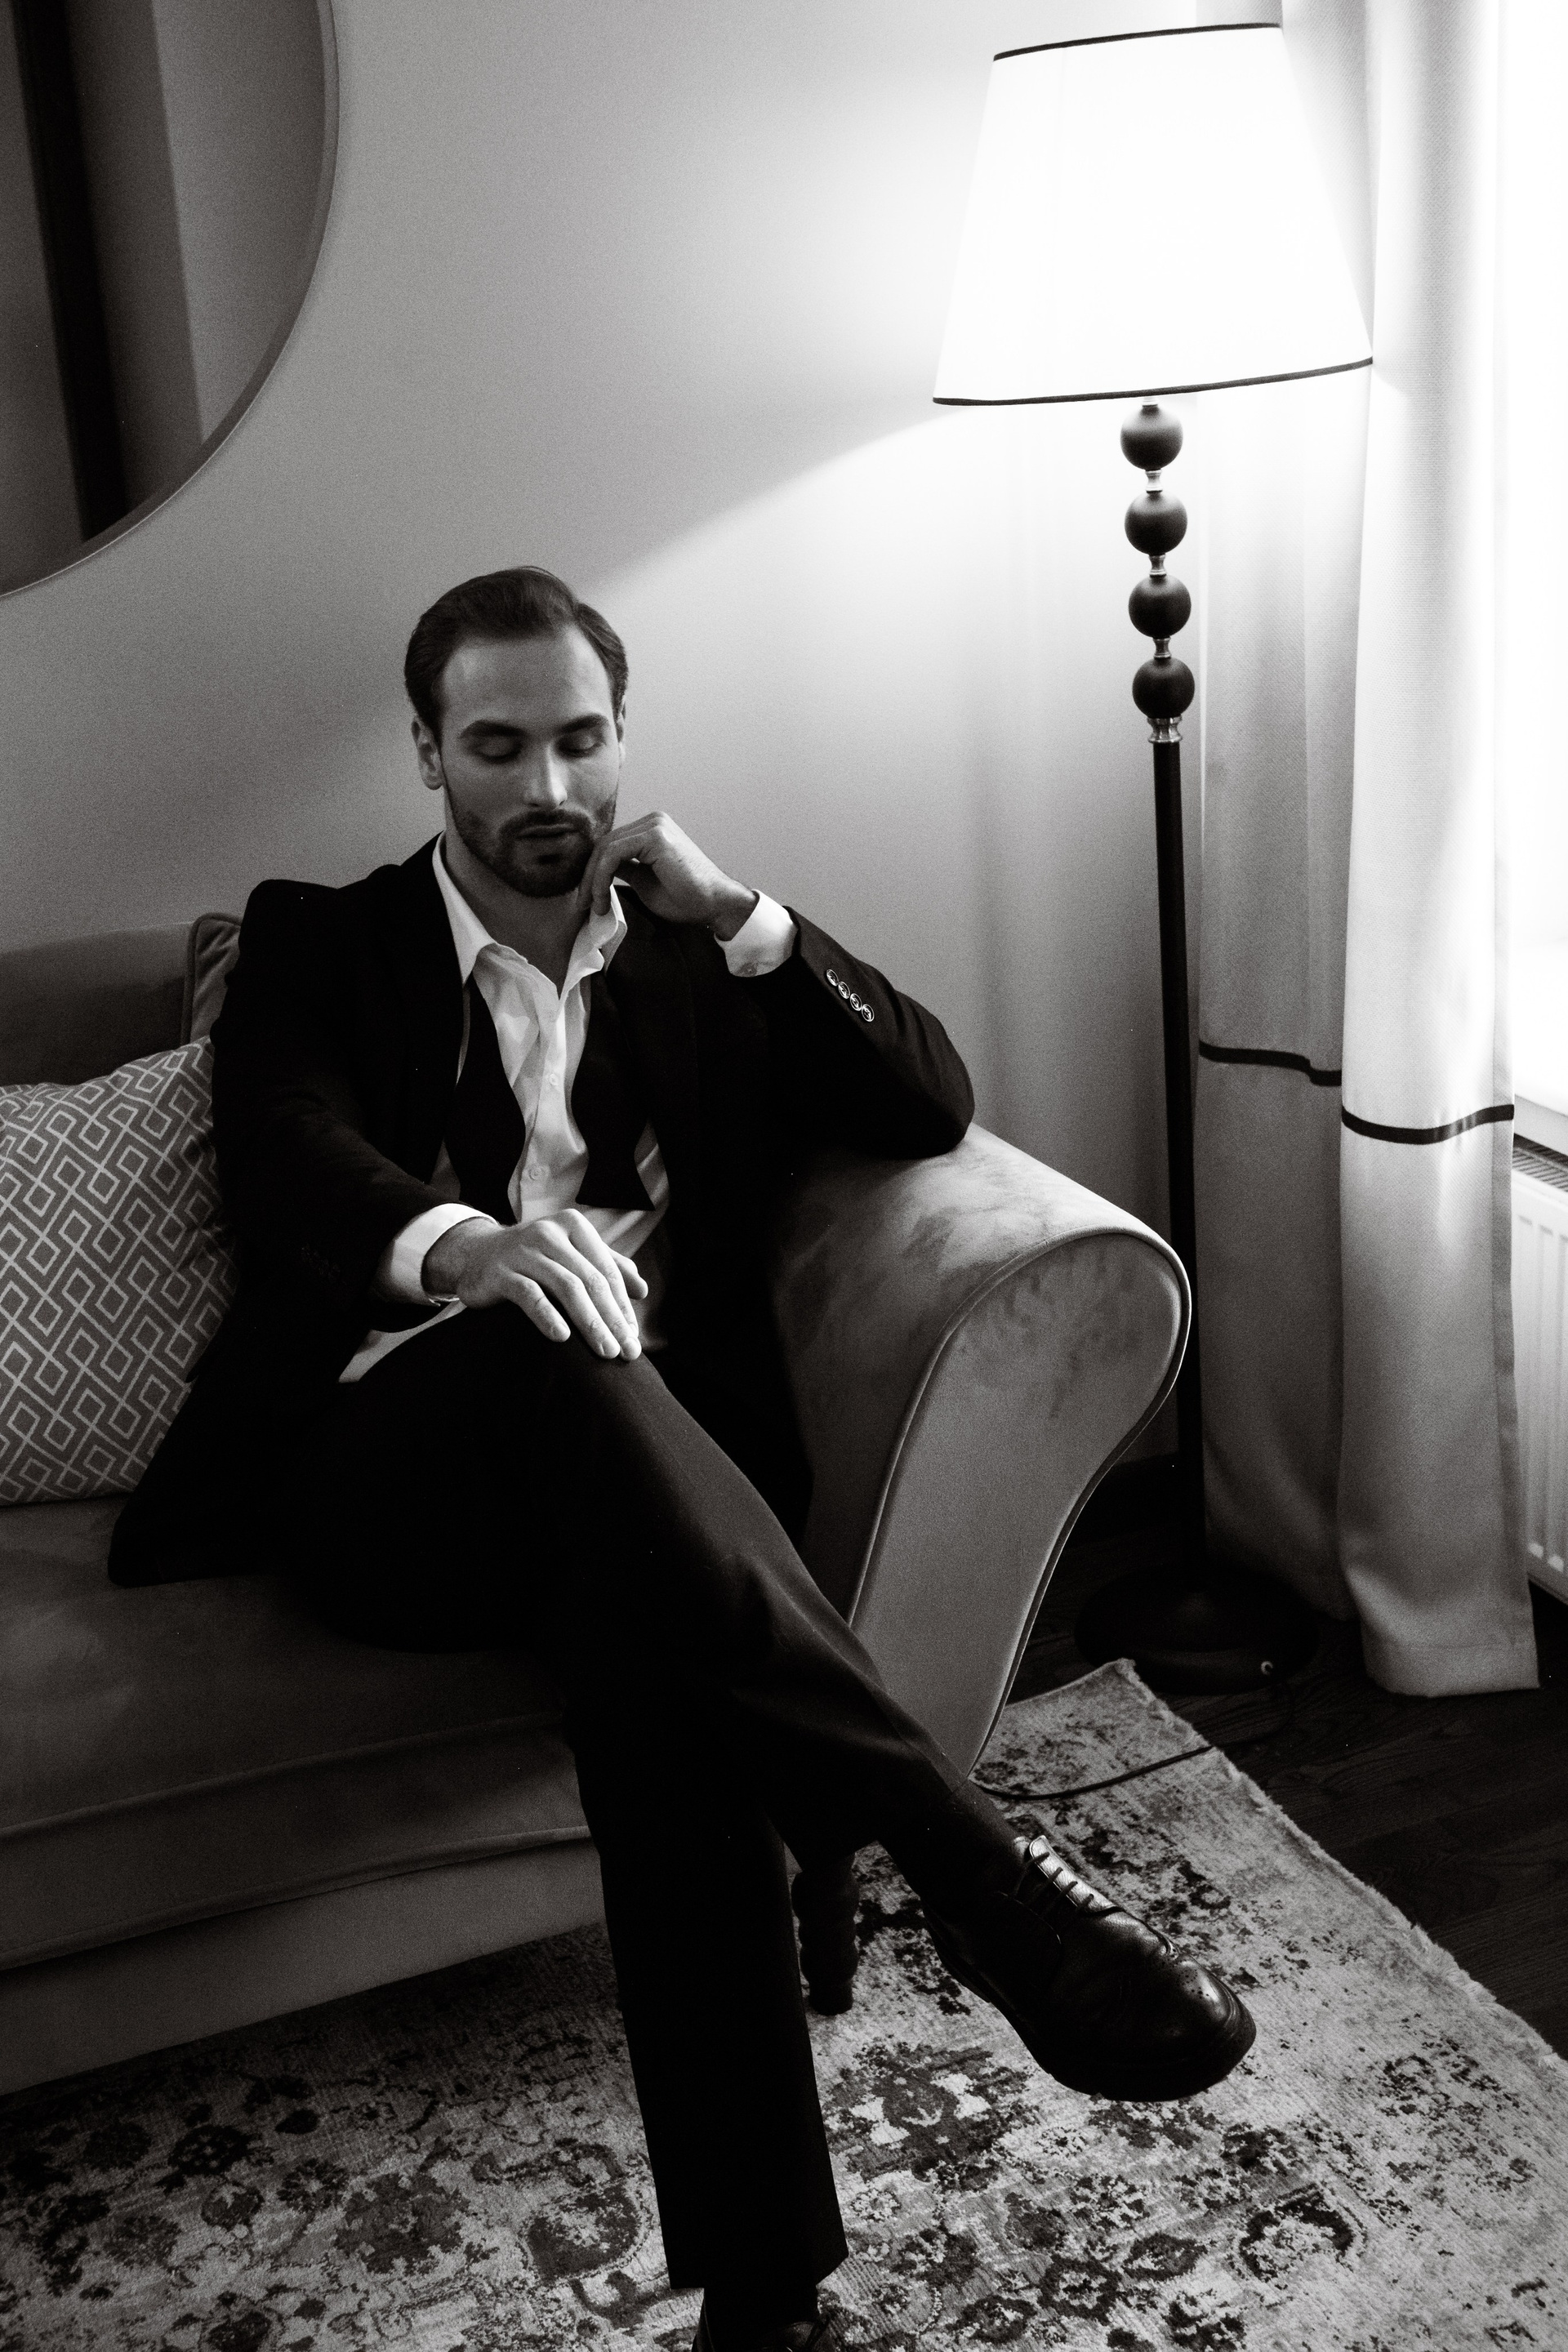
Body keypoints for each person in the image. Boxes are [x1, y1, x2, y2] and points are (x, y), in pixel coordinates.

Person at [110, 568, 1255, 2352]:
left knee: (666, 1682)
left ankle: (767, 2295)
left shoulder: (695, 958)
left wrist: (754, 923)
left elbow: (931, 1104)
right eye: (500, 745)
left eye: (581, 739)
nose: (547, 785)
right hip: (384, 1478)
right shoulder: (319, 941)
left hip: (642, 1500)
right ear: (426, 751)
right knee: (555, 1345)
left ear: (623, 735)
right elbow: (284, 1149)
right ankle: (960, 1852)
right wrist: (470, 1249)